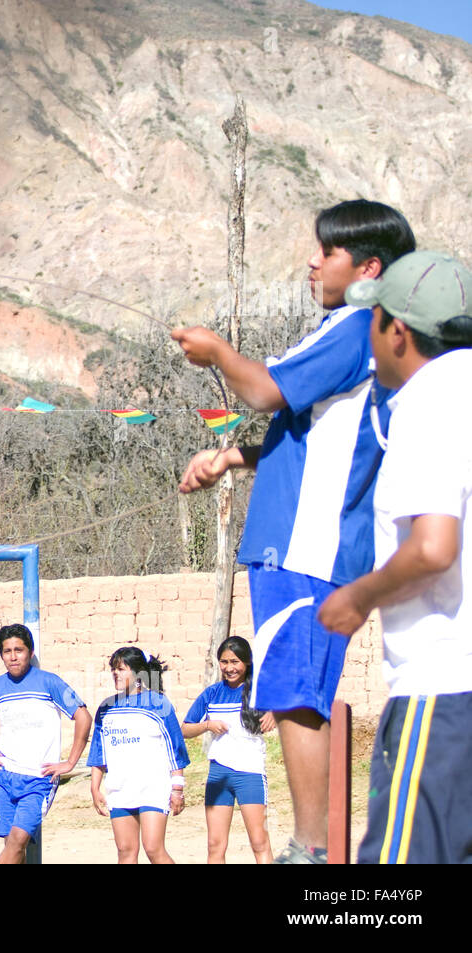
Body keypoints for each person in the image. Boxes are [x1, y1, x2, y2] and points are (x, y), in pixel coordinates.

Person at [172, 200, 415, 864]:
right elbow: (315, 437)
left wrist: (217, 351)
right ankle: (314, 846)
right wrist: (233, 457)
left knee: (297, 693)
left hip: (308, 545)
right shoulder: (358, 333)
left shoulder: (356, 323)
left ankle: (313, 850)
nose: (313, 261)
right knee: (289, 687)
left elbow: (266, 392)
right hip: (297, 541)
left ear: (368, 268)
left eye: (327, 251)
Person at [318, 250, 472, 863]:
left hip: (445, 693)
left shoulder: (431, 400)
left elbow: (434, 547)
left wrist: (358, 596)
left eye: (373, 321)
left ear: (398, 332)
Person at [0, 623, 91, 864]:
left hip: (39, 779)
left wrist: (70, 762)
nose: (13, 656)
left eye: (18, 650)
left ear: (30, 652)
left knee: (17, 841)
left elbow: (83, 716)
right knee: (13, 847)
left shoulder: (51, 683)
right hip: (6, 777)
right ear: (1, 654)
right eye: (7, 651)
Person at [88, 647, 189, 865]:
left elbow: (176, 750)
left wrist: (178, 789)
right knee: (125, 851)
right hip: (120, 789)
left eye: (121, 669)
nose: (115, 673)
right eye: (113, 669)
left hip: (152, 788)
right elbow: (99, 753)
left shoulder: (158, 704)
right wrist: (95, 788)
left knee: (153, 849)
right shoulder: (106, 708)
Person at [182, 636, 275, 864]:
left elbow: (294, 709)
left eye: (235, 661)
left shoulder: (261, 691)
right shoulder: (212, 694)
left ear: (247, 662)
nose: (229, 668)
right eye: (224, 662)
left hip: (250, 774)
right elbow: (184, 728)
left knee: (259, 842)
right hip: (218, 775)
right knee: (215, 845)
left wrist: (277, 713)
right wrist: (207, 725)